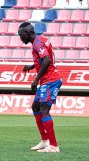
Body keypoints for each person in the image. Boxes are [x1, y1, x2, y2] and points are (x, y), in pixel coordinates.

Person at [18, 22, 62, 153]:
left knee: (44, 109)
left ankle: (53, 145)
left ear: (27, 34)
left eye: (21, 35)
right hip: (47, 79)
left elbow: (47, 60)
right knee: (36, 107)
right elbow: (43, 57)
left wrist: (36, 79)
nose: (20, 38)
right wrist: (32, 66)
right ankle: (44, 141)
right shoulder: (40, 40)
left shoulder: (37, 43)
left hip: (51, 79)